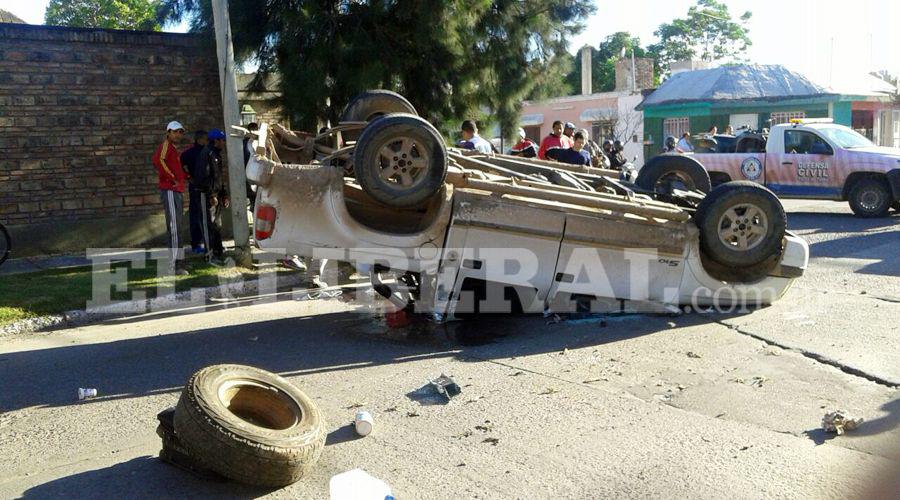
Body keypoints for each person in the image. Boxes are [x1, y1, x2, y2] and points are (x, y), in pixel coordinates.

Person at [152, 121, 189, 275]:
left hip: (177, 190)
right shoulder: (165, 146)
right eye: (175, 132)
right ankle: (174, 265)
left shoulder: (173, 149)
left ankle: (180, 262)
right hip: (170, 190)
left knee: (178, 228)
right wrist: (172, 178)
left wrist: (185, 176)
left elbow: (177, 168)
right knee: (174, 228)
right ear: (168, 132)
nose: (178, 134)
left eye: (180, 132)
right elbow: (158, 160)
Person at [191, 129, 230, 265]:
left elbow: (218, 177)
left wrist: (224, 194)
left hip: (216, 194)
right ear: (215, 141)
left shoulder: (216, 154)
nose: (223, 143)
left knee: (216, 225)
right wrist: (211, 195)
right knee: (209, 224)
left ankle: (218, 252)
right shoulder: (206, 154)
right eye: (222, 140)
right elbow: (203, 177)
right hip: (206, 194)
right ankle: (210, 255)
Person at [181, 130, 208, 255]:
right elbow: (180, 166)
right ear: (199, 139)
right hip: (196, 187)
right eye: (205, 139)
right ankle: (196, 243)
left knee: (208, 215)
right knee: (196, 215)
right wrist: (189, 178)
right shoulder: (189, 154)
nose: (207, 141)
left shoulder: (208, 152)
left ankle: (208, 242)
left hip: (208, 187)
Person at [243, 122, 259, 211]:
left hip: (256, 173)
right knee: (253, 198)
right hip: (250, 173)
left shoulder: (259, 143)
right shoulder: (246, 144)